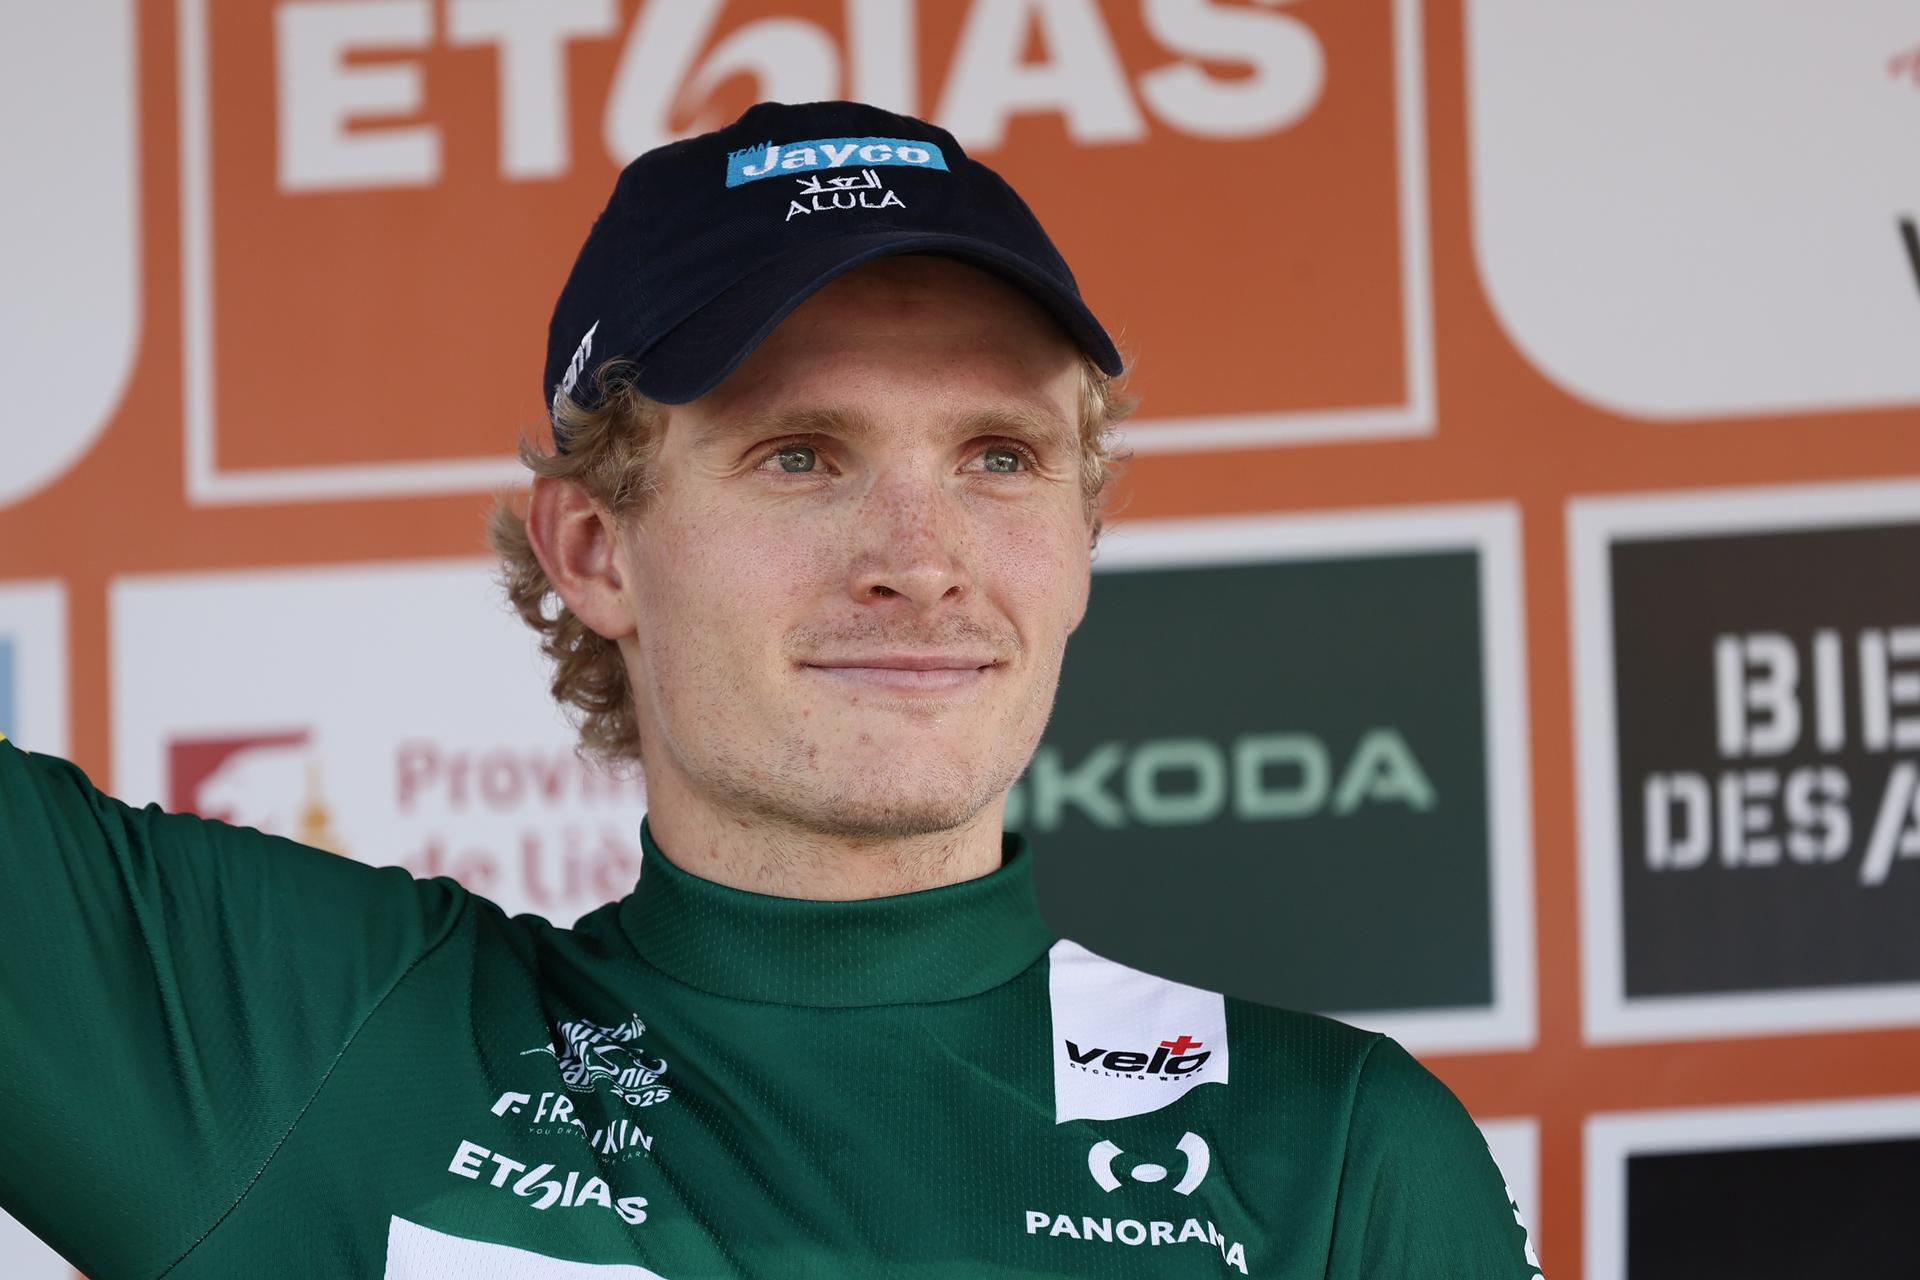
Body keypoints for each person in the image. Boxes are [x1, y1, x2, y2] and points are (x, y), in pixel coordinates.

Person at [0, 100, 1542, 1278]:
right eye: (802, 455)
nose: (921, 559)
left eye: (998, 458)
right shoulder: (328, 1054)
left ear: (1082, 536)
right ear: (596, 549)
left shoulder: (1334, 1155)